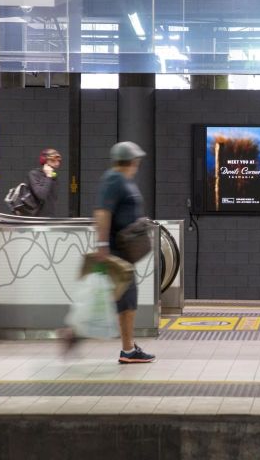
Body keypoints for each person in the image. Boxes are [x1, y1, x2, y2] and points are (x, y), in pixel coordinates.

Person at [94, 141, 156, 364]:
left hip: (124, 251)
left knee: (124, 299)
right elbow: (102, 212)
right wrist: (102, 246)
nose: (138, 164)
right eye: (137, 160)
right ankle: (128, 350)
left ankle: (128, 347)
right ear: (131, 161)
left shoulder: (122, 180)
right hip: (117, 251)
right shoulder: (114, 179)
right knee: (127, 300)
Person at [28, 148, 61, 217]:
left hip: (50, 216)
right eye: (53, 160)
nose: (57, 163)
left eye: (58, 161)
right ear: (44, 160)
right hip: (36, 218)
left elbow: (52, 200)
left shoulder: (54, 176)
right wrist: (48, 176)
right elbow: (41, 195)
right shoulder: (34, 174)